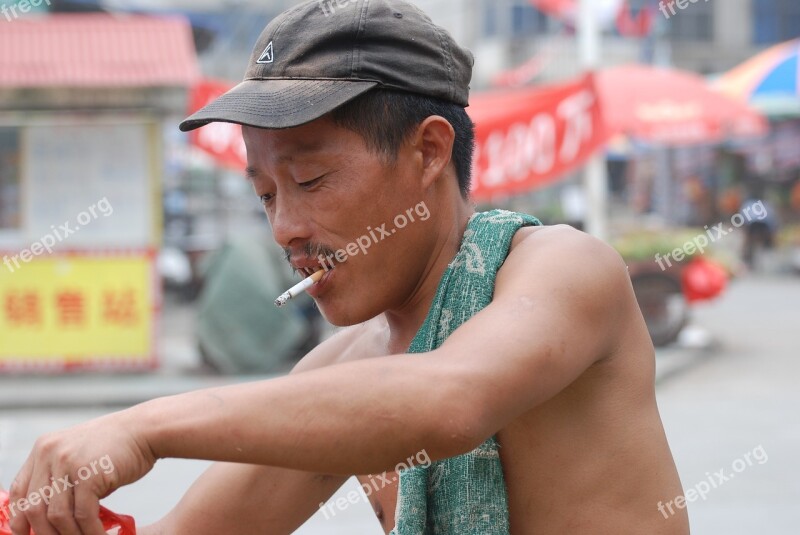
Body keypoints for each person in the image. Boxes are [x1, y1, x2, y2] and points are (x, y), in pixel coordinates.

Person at [7, 1, 689, 533]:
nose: (285, 228)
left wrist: (142, 425)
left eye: (310, 180)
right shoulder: (347, 376)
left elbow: (447, 401)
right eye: (266, 194)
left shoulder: (567, 270)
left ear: (427, 152)